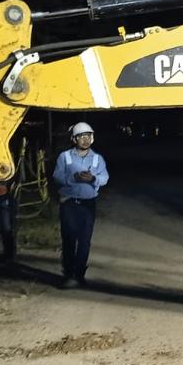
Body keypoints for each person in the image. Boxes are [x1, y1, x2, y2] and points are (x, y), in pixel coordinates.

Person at [52, 121, 109, 288]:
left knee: (84, 241)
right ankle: (69, 274)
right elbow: (57, 176)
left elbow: (104, 178)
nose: (85, 139)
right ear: (74, 139)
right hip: (69, 204)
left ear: (92, 138)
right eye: (81, 137)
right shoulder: (65, 157)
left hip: (88, 205)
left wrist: (93, 179)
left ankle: (79, 275)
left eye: (88, 136)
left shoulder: (98, 159)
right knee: (69, 239)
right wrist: (73, 178)